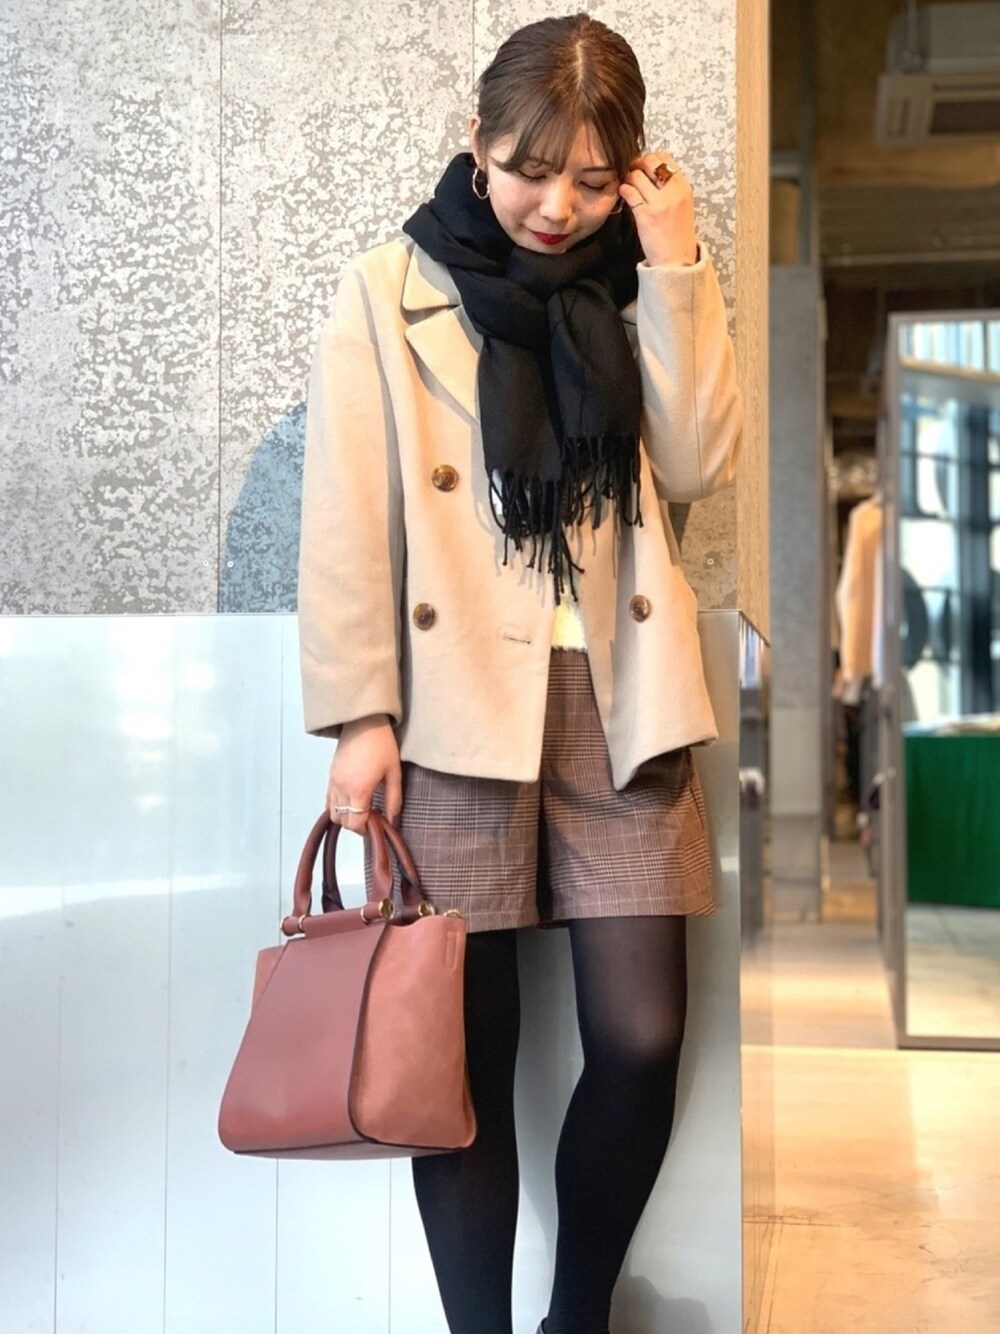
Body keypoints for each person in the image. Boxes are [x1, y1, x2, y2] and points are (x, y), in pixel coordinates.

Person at [297, 13, 742, 1334]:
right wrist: (360, 717)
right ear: (476, 144)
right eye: (530, 171)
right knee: (461, 1062)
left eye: (593, 181)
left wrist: (676, 265)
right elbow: (347, 518)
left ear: (630, 174)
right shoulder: (390, 288)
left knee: (641, 1038)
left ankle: (575, 1318)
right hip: (449, 715)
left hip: (622, 697)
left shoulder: (640, 282)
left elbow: (699, 460)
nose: (557, 208)